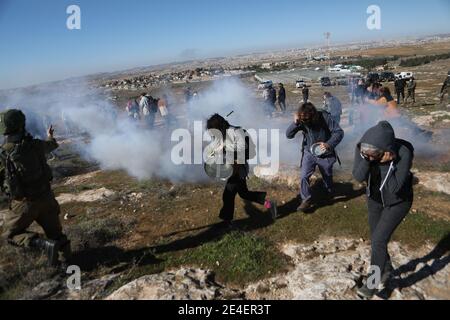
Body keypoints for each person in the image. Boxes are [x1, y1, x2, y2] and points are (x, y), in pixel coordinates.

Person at [0, 109, 71, 267]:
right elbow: (52, 145)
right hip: (46, 197)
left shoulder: (4, 154)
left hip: (24, 203)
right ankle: (68, 265)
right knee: (57, 235)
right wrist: (50, 135)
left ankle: (42, 245)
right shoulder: (35, 145)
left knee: (9, 235)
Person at [352, 121, 414, 299]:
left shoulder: (403, 152)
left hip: (398, 202)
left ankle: (372, 284)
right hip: (374, 200)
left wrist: (387, 163)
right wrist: (367, 157)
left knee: (378, 241)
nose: (368, 155)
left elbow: (394, 187)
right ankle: (386, 268)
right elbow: (358, 176)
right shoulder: (364, 149)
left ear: (386, 150)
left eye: (373, 154)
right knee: (376, 239)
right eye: (365, 151)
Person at [206, 114, 278, 226]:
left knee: (228, 194)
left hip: (239, 168)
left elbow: (242, 148)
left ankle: (227, 221)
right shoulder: (222, 135)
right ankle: (269, 204)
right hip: (231, 167)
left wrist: (225, 148)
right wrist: (214, 152)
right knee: (244, 194)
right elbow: (216, 147)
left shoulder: (236, 132)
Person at [286, 103, 344, 212]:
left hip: (325, 152)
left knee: (327, 175)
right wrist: (295, 123)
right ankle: (306, 199)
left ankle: (328, 191)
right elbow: (288, 135)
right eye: (303, 119)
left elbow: (339, 132)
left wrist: (329, 144)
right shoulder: (302, 119)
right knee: (304, 176)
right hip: (309, 152)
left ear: (313, 115)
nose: (305, 122)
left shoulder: (324, 117)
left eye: (307, 119)